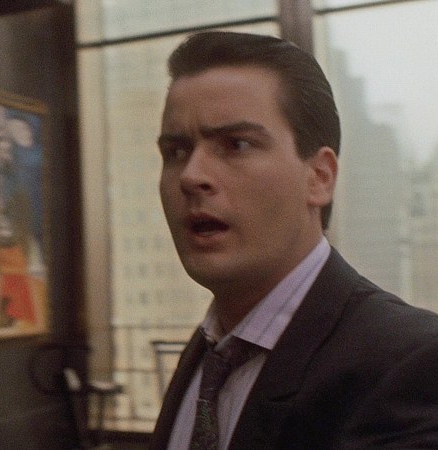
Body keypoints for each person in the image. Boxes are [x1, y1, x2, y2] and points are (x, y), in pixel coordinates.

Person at [148, 31, 438, 450]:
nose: (192, 176)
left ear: (319, 177)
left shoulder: (411, 363)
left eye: (236, 144)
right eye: (176, 151)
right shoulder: (211, 351)